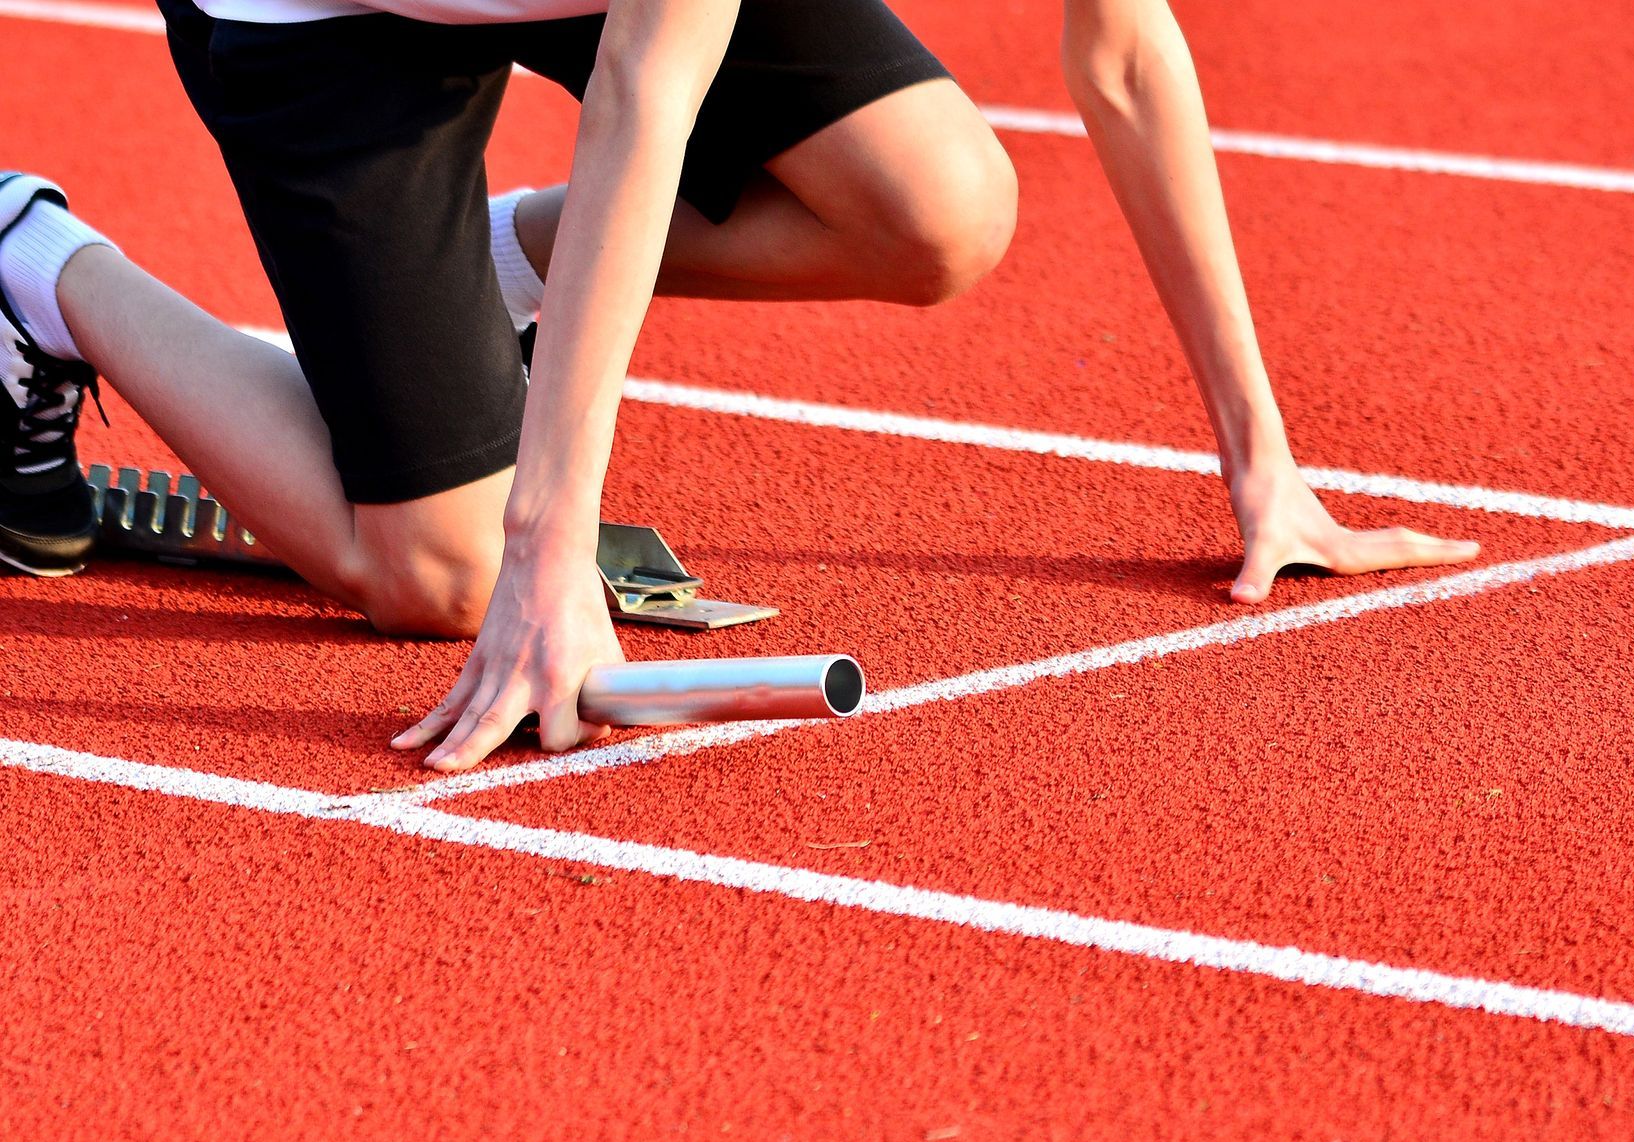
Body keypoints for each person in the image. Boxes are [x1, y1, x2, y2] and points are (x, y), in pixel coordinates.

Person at [0, 0, 1475, 775]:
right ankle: (35, 262)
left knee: (943, 206)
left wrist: (1263, 464)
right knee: (441, 569)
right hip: (326, 7)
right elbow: (648, 88)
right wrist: (545, 553)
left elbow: (1132, 55)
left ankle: (509, 284)